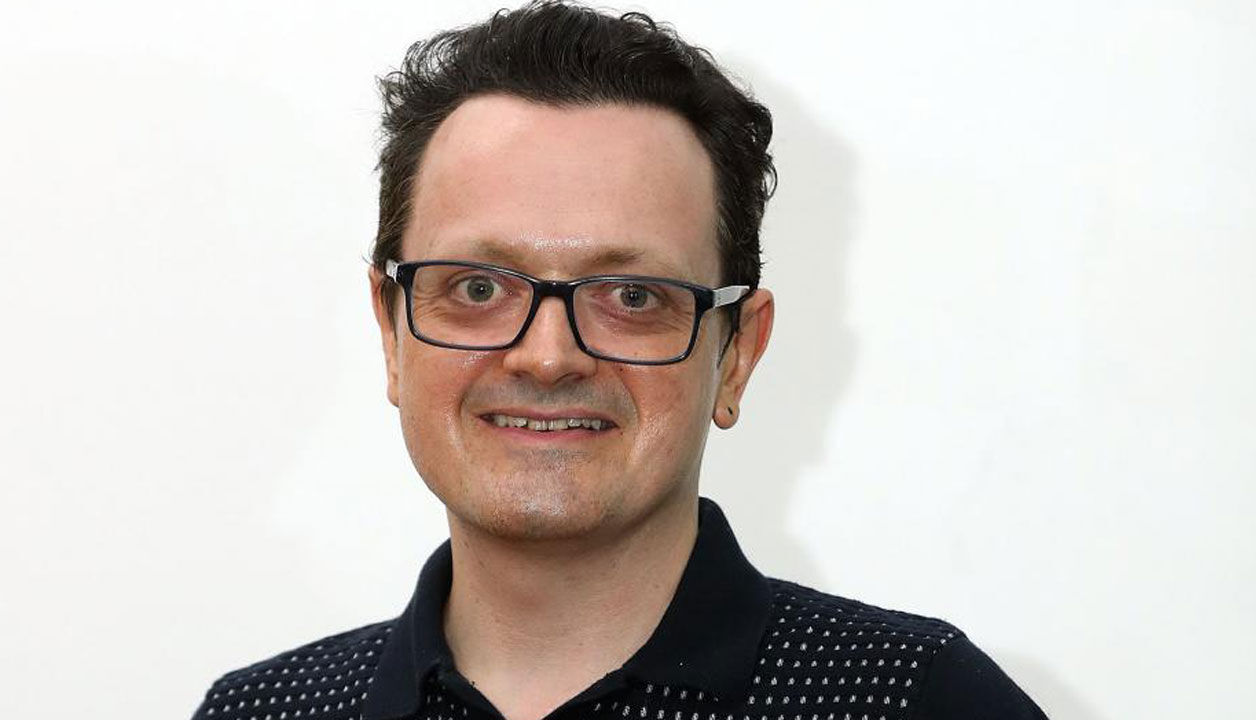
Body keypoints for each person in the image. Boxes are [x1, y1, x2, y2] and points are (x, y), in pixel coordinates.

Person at [192, 2, 1048, 719]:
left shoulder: (919, 701)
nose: (547, 355)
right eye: (478, 288)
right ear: (391, 332)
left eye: (633, 296)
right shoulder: (261, 713)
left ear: (737, 354)